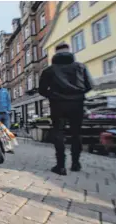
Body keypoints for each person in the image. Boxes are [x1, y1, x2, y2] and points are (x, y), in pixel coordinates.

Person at [39, 43, 93, 175]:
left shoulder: (49, 70)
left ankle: (60, 165)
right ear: (70, 52)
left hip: (58, 104)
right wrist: (78, 94)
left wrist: (52, 96)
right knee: (76, 133)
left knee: (58, 133)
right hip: (77, 104)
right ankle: (75, 163)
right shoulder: (80, 67)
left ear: (55, 54)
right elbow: (90, 85)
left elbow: (41, 90)